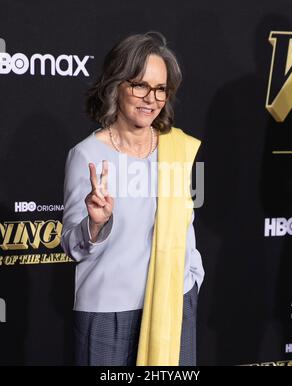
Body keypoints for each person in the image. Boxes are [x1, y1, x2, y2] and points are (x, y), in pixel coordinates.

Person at [61, 31, 204, 366]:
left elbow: (186, 230)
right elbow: (72, 244)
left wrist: (192, 281)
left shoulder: (177, 148)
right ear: (116, 86)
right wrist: (95, 225)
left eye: (160, 89)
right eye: (140, 85)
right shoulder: (86, 155)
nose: (150, 98)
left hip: (172, 305)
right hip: (109, 314)